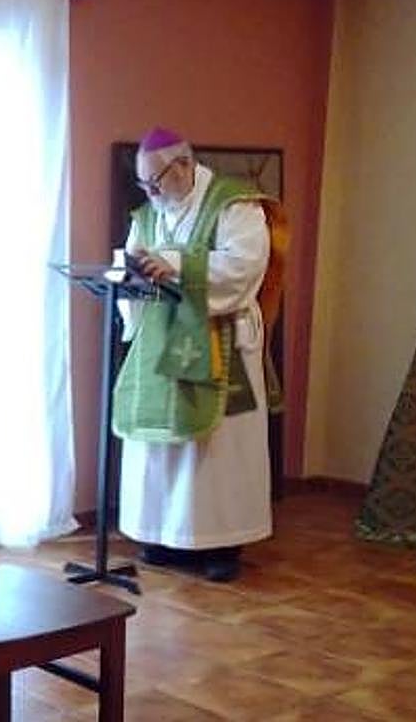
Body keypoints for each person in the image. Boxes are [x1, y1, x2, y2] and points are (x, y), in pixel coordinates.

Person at [113, 127, 286, 582]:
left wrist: (177, 267)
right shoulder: (147, 213)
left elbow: (245, 265)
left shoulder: (235, 204)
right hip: (162, 338)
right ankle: (164, 535)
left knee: (217, 449)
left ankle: (222, 542)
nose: (151, 194)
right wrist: (127, 277)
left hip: (219, 338)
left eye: (157, 182)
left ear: (186, 165)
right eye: (144, 185)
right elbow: (132, 260)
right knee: (159, 442)